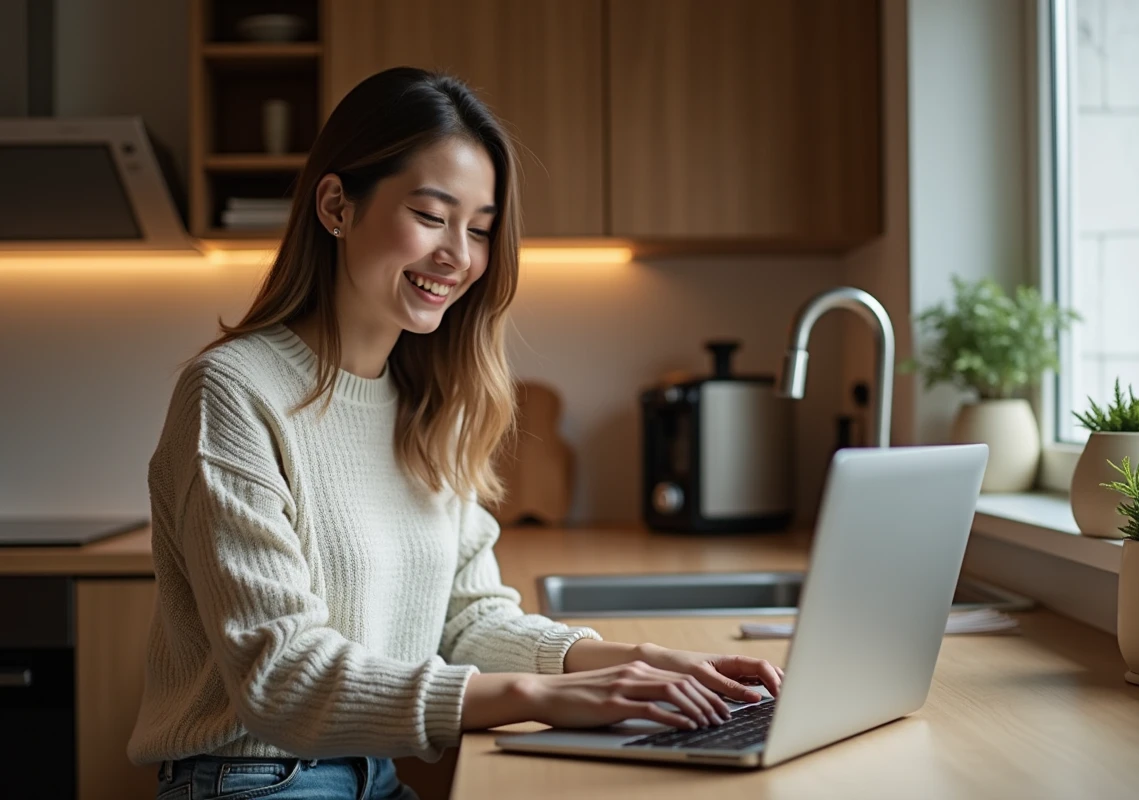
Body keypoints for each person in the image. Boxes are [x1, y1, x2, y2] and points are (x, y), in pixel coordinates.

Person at [127, 67, 784, 800]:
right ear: (337, 205)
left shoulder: (435, 400)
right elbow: (282, 681)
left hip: (373, 771)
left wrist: (631, 661)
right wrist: (538, 699)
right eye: (433, 216)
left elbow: (466, 621)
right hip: (252, 776)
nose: (459, 257)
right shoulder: (234, 391)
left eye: (479, 228)